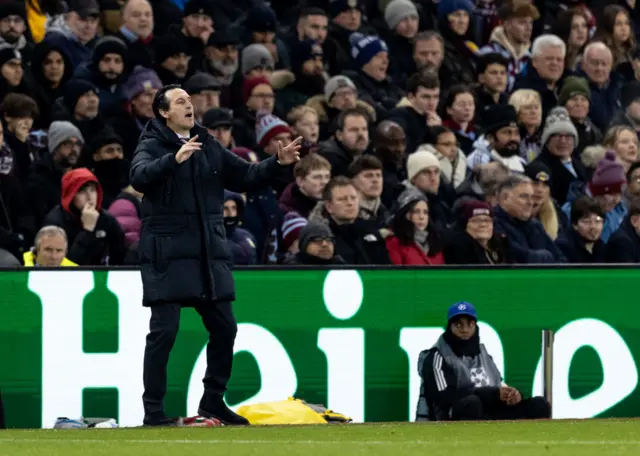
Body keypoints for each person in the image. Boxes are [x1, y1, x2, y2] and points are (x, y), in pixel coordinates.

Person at [130, 84, 302, 426]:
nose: (189, 105)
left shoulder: (208, 144)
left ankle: (212, 401)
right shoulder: (151, 144)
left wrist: (276, 163)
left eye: (189, 101)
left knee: (225, 327)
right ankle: (153, 412)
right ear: (164, 113)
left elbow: (246, 176)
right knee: (164, 333)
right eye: (180, 102)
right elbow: (138, 177)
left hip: (208, 254)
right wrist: (172, 160)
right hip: (167, 255)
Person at [416, 301, 551, 421]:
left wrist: (513, 395)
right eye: (458, 325)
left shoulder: (483, 353)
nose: (465, 329)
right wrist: (491, 394)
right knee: (471, 404)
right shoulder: (438, 356)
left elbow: (498, 384)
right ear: (449, 327)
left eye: (470, 324)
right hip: (455, 415)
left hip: (491, 412)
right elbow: (444, 397)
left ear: (475, 326)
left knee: (539, 405)